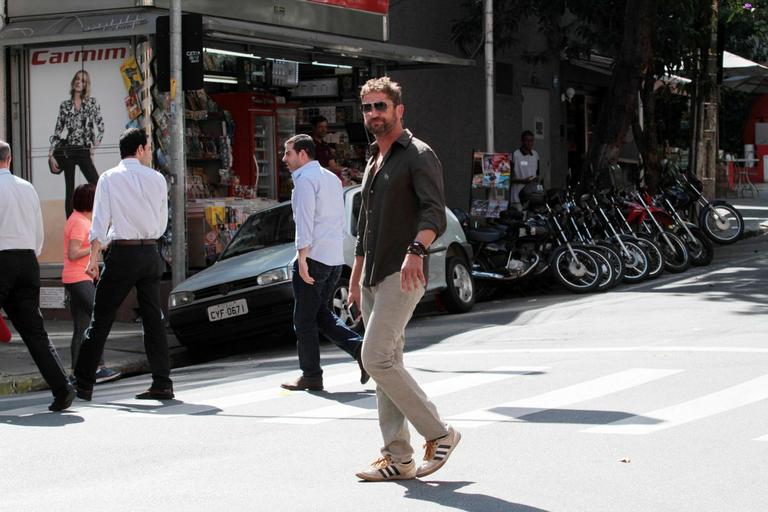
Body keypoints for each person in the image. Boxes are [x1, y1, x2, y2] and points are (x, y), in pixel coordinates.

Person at [349, 77, 460, 482]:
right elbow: (365, 223)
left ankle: (439, 432)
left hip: (402, 271)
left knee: (374, 357)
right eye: (367, 108)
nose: (373, 114)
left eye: (380, 106)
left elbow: (434, 212)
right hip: (373, 276)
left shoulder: (417, 155)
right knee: (386, 364)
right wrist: (357, 272)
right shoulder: (374, 161)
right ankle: (398, 457)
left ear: (399, 110)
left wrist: (417, 250)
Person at [73, 128, 172, 401]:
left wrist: (93, 258)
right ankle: (163, 382)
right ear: (139, 149)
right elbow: (162, 221)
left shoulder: (108, 177)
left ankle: (83, 383)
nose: (150, 151)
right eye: (149, 147)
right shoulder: (157, 179)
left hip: (124, 253)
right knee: (153, 319)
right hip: (151, 252)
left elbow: (100, 221)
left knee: (102, 317)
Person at [280, 134, 368, 391]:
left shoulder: (305, 180)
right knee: (321, 314)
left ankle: (311, 374)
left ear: (303, 154)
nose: (284, 159)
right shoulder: (331, 179)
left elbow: (305, 222)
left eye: (288, 153)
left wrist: (302, 257)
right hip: (333, 258)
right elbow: (336, 220)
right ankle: (358, 349)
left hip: (315, 258)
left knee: (304, 320)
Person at [0, 140, 75, 411]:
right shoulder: (27, 187)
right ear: (9, 159)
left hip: (2, 259)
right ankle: (62, 387)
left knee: (33, 331)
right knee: (35, 332)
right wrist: (32, 254)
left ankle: (63, 388)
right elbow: (38, 231)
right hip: (28, 260)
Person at [62, 183, 122, 384]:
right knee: (98, 320)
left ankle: (75, 372)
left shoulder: (77, 219)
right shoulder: (79, 222)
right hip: (79, 277)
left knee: (81, 326)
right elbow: (73, 253)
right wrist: (97, 248)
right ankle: (97, 367)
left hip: (78, 278)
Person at [48, 69, 105, 218]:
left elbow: (101, 129)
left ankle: (101, 217)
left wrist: (93, 149)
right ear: (73, 81)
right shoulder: (65, 105)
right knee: (70, 189)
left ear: (87, 85)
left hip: (84, 149)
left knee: (98, 185)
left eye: (83, 80)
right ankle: (70, 224)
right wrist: (51, 154)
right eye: (77, 79)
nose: (79, 82)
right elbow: (58, 131)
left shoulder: (91, 103)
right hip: (68, 150)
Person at [510, 130, 540, 211]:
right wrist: (523, 181)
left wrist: (537, 179)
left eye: (531, 141)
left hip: (532, 197)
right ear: (522, 141)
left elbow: (537, 174)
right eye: (527, 140)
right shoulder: (515, 155)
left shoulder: (535, 155)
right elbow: (509, 178)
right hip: (517, 197)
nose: (529, 143)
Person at [310, 116, 342, 181]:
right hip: (315, 181)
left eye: (325, 127)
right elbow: (310, 169)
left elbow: (332, 165)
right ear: (314, 128)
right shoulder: (309, 144)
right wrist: (331, 169)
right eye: (320, 127)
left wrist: (346, 170)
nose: (324, 130)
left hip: (326, 180)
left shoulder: (325, 145)